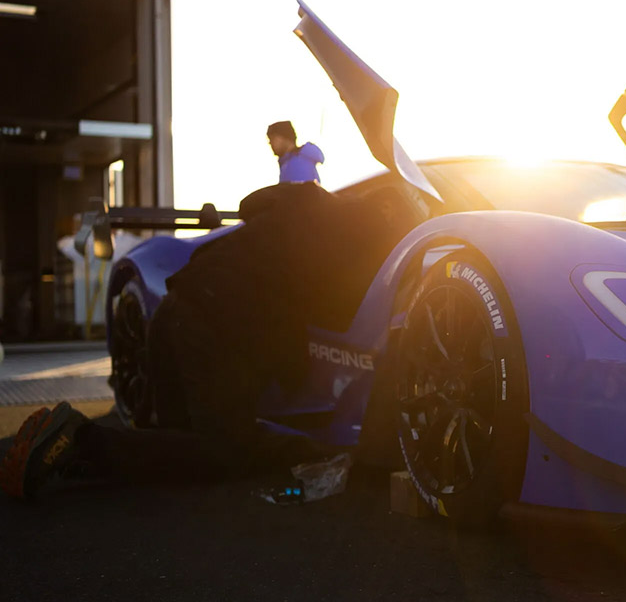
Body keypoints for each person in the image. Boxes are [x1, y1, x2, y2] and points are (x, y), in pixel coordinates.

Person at [0, 183, 415, 499]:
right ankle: (80, 441)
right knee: (227, 453)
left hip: (173, 309)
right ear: (389, 216)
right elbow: (339, 319)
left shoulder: (305, 198)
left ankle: (66, 458)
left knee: (176, 448)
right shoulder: (362, 247)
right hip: (215, 329)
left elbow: (251, 204)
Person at [267, 120, 325, 184]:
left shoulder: (298, 164)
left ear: (285, 138)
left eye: (273, 138)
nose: (270, 143)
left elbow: (301, 189)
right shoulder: (288, 163)